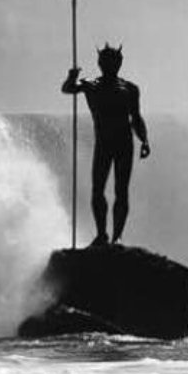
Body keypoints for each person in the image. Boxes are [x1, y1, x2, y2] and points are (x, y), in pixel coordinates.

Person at [62, 43, 150, 246]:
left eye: (114, 61)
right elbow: (68, 89)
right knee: (98, 190)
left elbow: (136, 118)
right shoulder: (91, 84)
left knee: (121, 191)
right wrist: (72, 76)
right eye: (105, 61)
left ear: (119, 63)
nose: (109, 65)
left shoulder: (129, 89)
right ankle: (102, 234)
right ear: (100, 63)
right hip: (103, 143)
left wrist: (144, 140)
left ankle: (117, 236)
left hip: (124, 144)